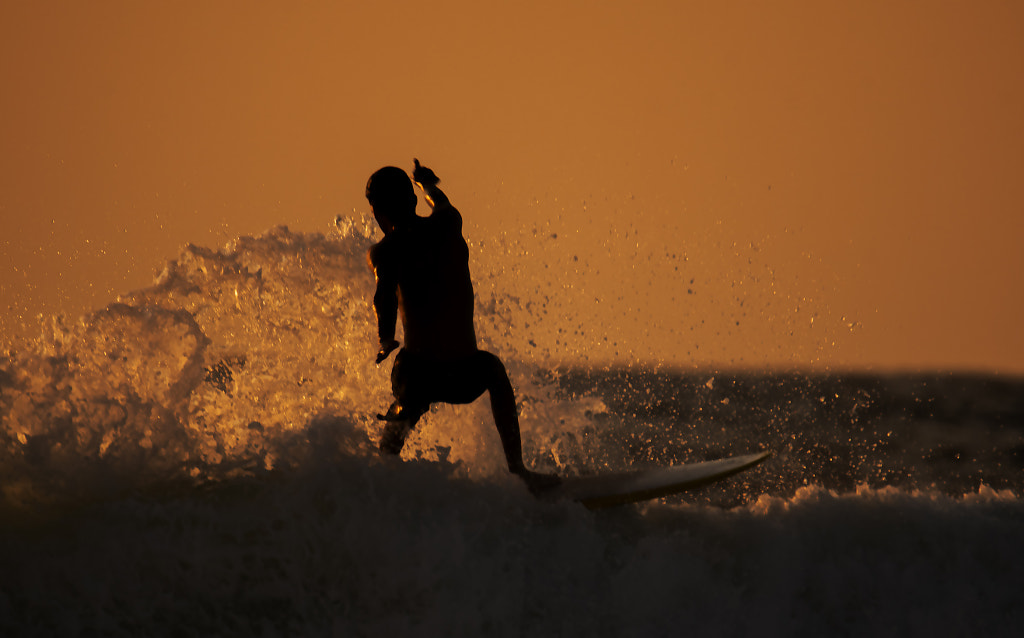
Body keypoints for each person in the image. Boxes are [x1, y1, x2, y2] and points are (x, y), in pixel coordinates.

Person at [366, 159, 558, 491]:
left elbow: (384, 296)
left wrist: (386, 338)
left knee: (409, 398)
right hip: (463, 373)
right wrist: (426, 184)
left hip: (422, 372)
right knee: (493, 370)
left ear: (378, 212)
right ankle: (518, 470)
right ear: (412, 201)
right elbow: (439, 201)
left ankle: (381, 472)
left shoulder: (387, 251)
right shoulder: (447, 224)